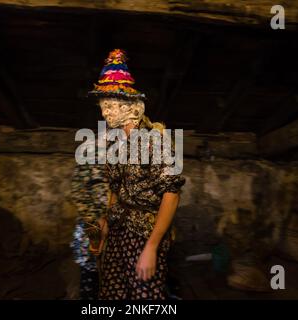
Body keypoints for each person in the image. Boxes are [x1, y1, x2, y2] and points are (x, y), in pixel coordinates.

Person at [88, 49, 185, 300]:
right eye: (102, 105)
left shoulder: (155, 141)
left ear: (130, 107)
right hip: (118, 229)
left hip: (144, 233)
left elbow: (171, 195)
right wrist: (105, 224)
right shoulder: (114, 143)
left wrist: (151, 247)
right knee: (112, 293)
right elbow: (115, 188)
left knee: (145, 297)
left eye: (109, 105)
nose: (103, 112)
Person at [70, 160, 109, 300]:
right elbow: (78, 192)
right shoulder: (88, 158)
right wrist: (95, 219)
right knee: (91, 272)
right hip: (92, 225)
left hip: (118, 225)